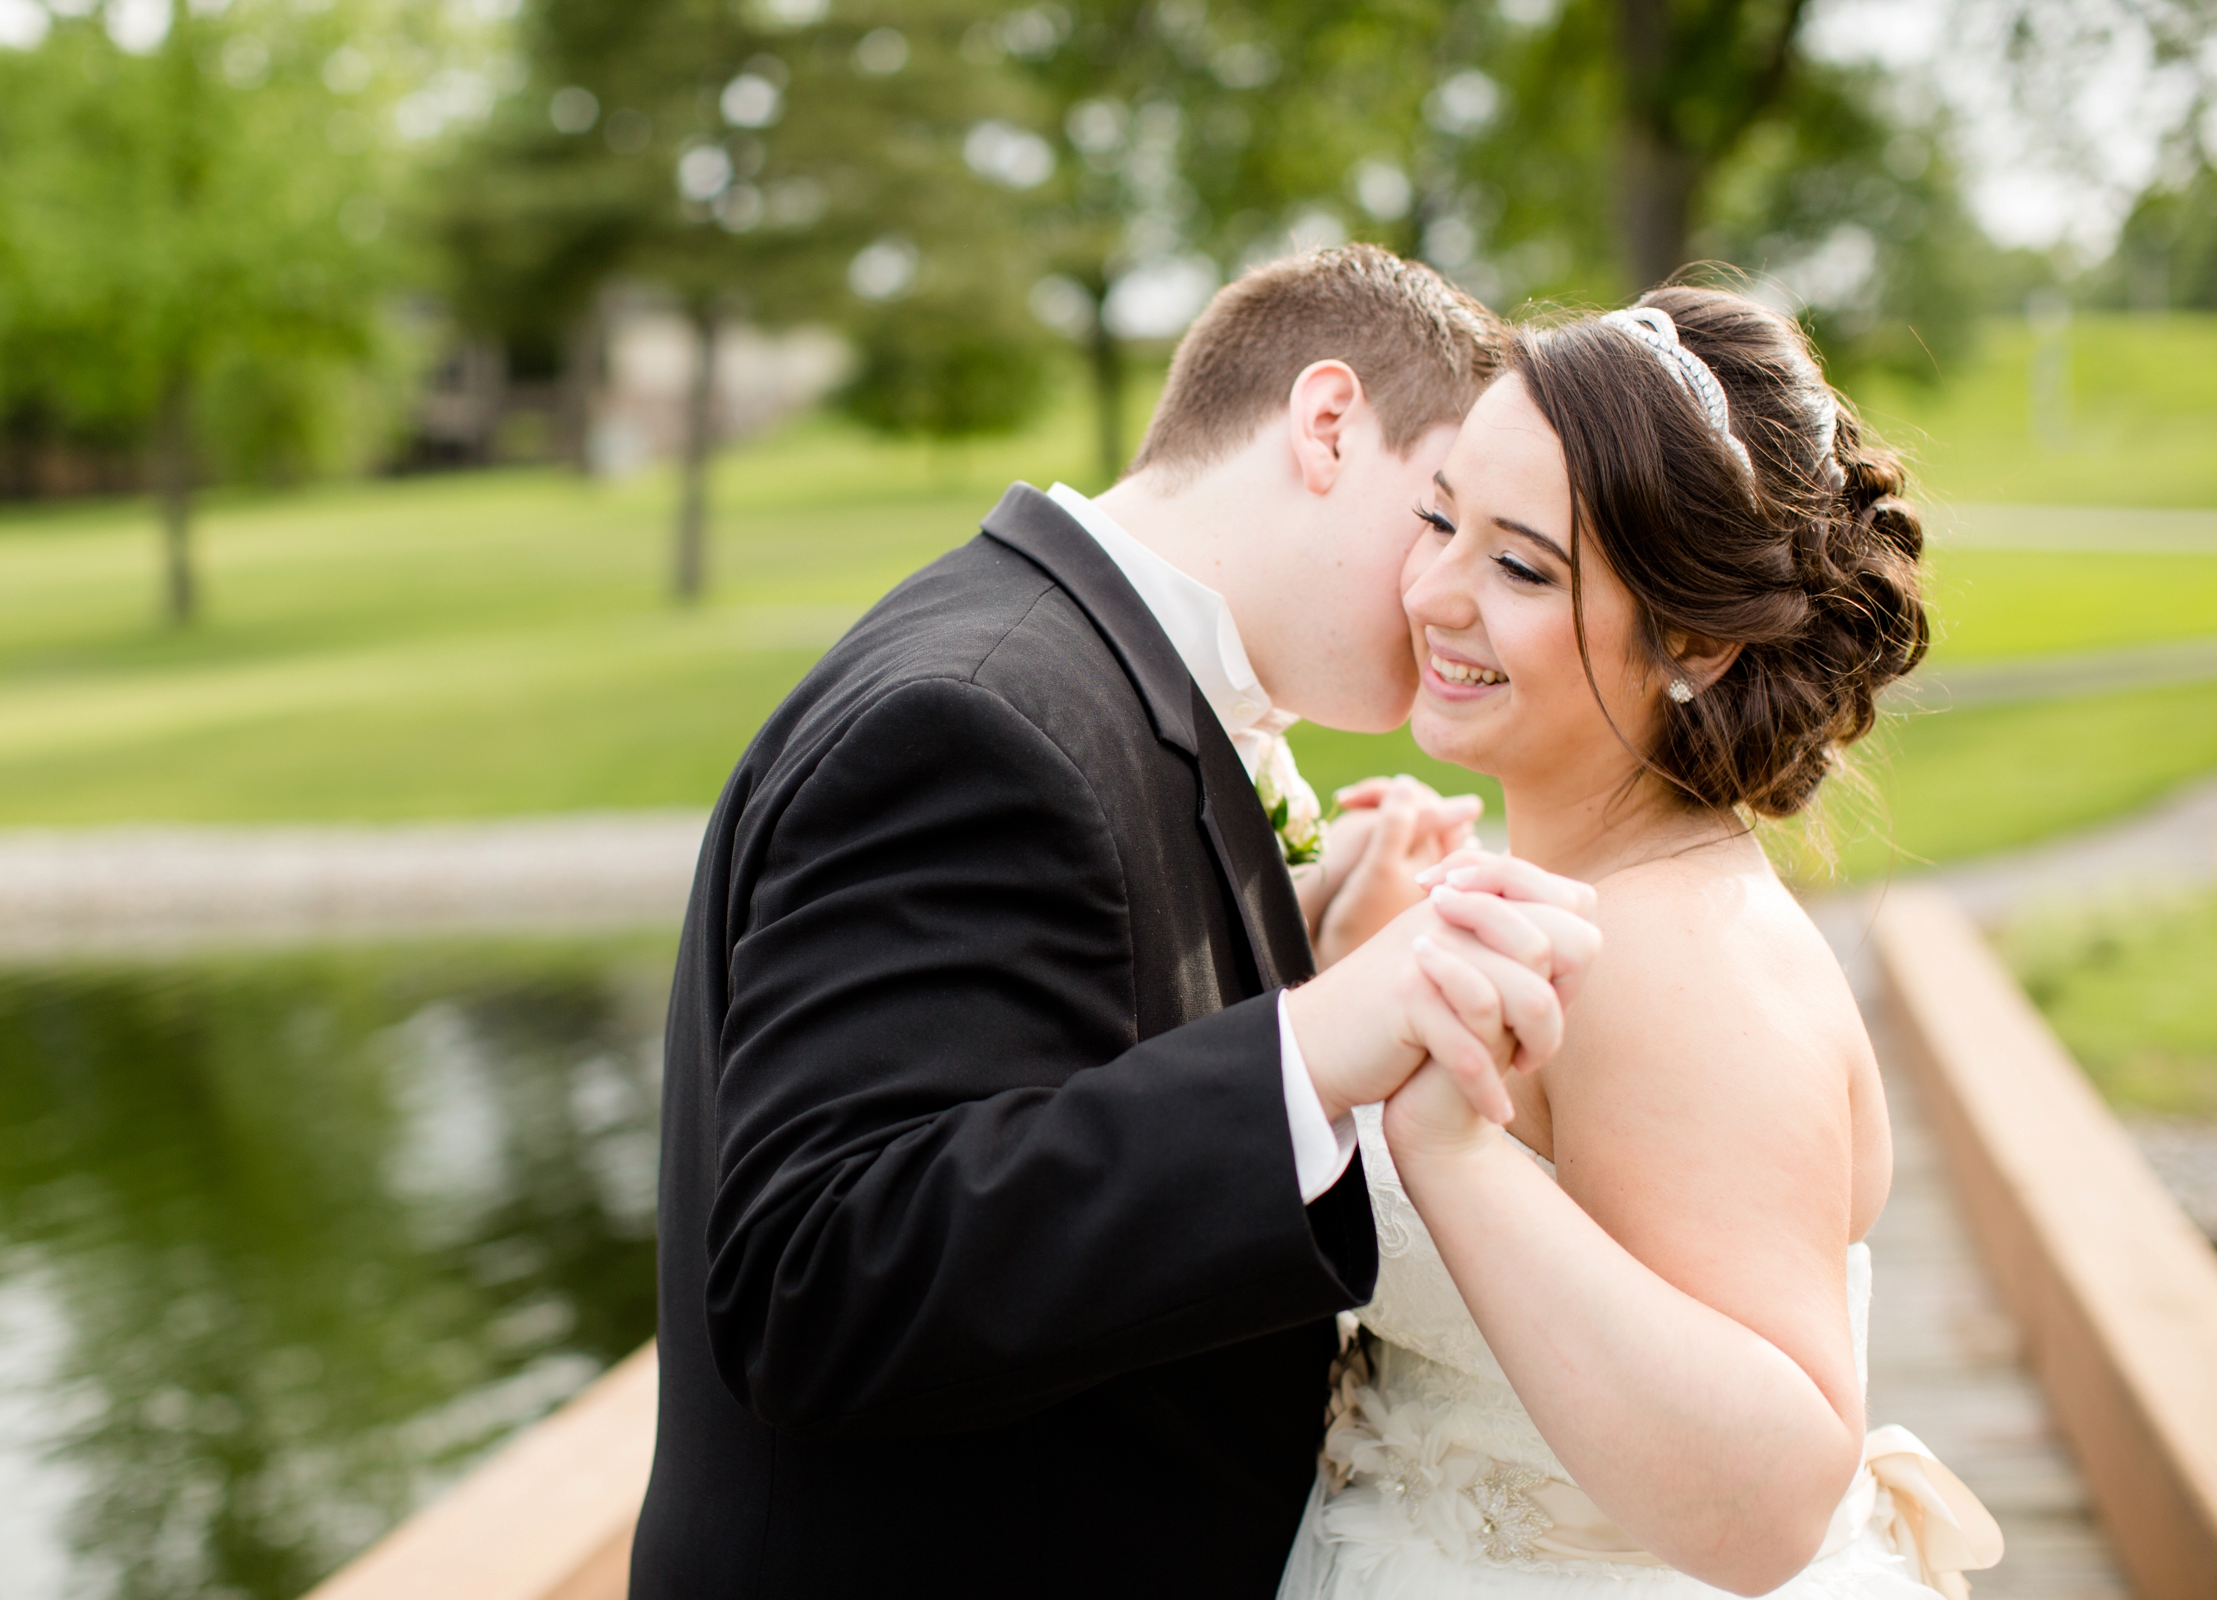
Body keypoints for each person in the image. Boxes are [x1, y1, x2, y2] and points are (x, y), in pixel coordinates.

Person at [629, 245, 1603, 1598]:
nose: (1446, 591)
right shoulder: (978, 717)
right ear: (1326, 427)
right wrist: (1317, 1041)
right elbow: (819, 1283)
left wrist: (1302, 934)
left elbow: (1041, 1065)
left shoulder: (1085, 676)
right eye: (1438, 515)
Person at [1278, 286, 2005, 1600]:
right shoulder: (1570, 885)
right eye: (1439, 517)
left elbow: (1769, 1499)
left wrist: (1440, 1141)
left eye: (1518, 566)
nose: (1435, 591)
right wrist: (1350, 949)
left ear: (1700, 640)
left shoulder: (1680, 964)